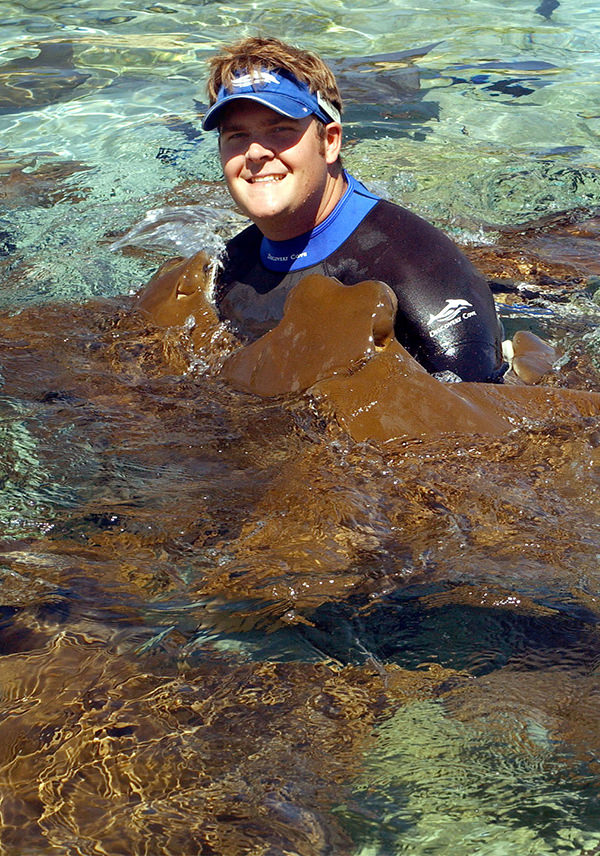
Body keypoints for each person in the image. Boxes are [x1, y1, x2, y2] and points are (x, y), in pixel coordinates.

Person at [201, 36, 506, 382]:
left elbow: (479, 410)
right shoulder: (229, 268)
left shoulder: (416, 268)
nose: (255, 153)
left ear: (330, 141)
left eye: (280, 130)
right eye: (236, 136)